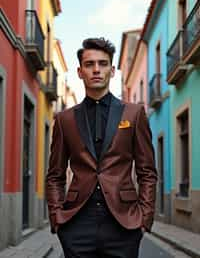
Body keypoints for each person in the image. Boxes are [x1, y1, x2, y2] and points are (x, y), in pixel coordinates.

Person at [45, 37, 157, 258]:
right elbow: (55, 175)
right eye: (89, 64)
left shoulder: (133, 114)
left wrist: (145, 217)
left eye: (103, 63)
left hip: (123, 224)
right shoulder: (65, 119)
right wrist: (57, 217)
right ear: (80, 71)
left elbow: (147, 172)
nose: (96, 69)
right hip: (77, 224)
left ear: (112, 70)